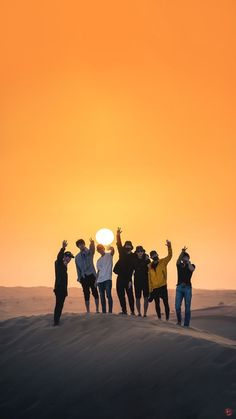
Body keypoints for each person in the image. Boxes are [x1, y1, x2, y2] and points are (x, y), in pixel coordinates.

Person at [148, 240, 172, 320]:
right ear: (151, 257)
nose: (154, 256)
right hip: (154, 288)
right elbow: (149, 279)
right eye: (152, 255)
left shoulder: (163, 262)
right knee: (157, 303)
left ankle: (167, 319)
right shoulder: (149, 266)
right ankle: (159, 319)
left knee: (165, 302)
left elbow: (170, 256)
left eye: (155, 254)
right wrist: (150, 290)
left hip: (163, 285)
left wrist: (169, 246)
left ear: (157, 255)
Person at [113, 227, 135, 315]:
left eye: (129, 247)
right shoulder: (122, 253)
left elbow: (141, 256)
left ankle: (132, 311)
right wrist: (118, 235)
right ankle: (124, 310)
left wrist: (130, 280)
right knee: (120, 295)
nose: (127, 248)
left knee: (130, 295)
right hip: (120, 277)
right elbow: (119, 244)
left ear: (131, 248)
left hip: (128, 279)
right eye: (126, 246)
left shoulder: (133, 256)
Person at [75, 238, 99, 313]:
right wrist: (79, 278)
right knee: (86, 293)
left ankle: (97, 309)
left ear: (84, 244)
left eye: (82, 244)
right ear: (78, 246)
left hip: (91, 275)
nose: (81, 245)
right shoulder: (77, 257)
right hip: (84, 277)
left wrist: (92, 243)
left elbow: (92, 249)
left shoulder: (89, 252)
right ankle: (88, 310)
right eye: (79, 245)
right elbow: (77, 268)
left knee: (95, 292)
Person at [53, 240, 74, 326]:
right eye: (68, 257)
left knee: (60, 305)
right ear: (64, 256)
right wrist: (63, 248)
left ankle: (57, 321)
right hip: (59, 288)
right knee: (58, 305)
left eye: (70, 258)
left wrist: (66, 291)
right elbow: (58, 257)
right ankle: (56, 322)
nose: (69, 259)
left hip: (62, 289)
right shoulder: (59, 263)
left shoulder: (64, 266)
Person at [175, 247, 196, 327]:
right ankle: (179, 321)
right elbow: (177, 261)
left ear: (188, 258)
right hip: (179, 287)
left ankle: (186, 325)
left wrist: (188, 262)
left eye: (186, 257)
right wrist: (182, 252)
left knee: (187, 307)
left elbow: (192, 269)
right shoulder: (179, 265)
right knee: (177, 306)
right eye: (183, 257)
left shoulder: (191, 265)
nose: (184, 258)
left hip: (187, 288)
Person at [96, 244, 115, 313]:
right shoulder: (98, 260)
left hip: (107, 279)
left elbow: (113, 251)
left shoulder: (109, 255)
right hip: (100, 281)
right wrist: (96, 281)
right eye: (99, 249)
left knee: (108, 295)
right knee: (102, 297)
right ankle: (104, 312)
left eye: (101, 248)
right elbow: (98, 271)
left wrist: (111, 247)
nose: (100, 250)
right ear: (97, 251)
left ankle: (110, 312)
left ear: (103, 248)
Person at [133, 246, 150, 317]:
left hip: (145, 281)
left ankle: (145, 313)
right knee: (137, 297)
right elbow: (132, 269)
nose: (140, 253)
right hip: (137, 281)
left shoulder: (147, 260)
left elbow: (150, 269)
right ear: (136, 252)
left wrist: (147, 260)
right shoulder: (134, 260)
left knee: (146, 297)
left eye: (141, 251)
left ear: (143, 252)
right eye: (138, 251)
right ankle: (139, 313)